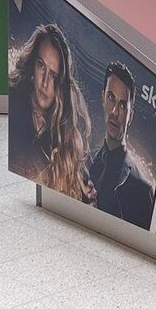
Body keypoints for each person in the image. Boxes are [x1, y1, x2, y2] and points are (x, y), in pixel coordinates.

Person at [8, 24, 95, 201]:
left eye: (53, 75)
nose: (45, 83)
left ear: (61, 85)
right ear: (33, 65)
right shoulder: (11, 102)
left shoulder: (65, 137)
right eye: (41, 66)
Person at [88, 61, 156, 230]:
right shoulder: (85, 162)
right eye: (111, 98)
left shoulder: (142, 189)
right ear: (103, 98)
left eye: (122, 105)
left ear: (130, 116)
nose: (114, 113)